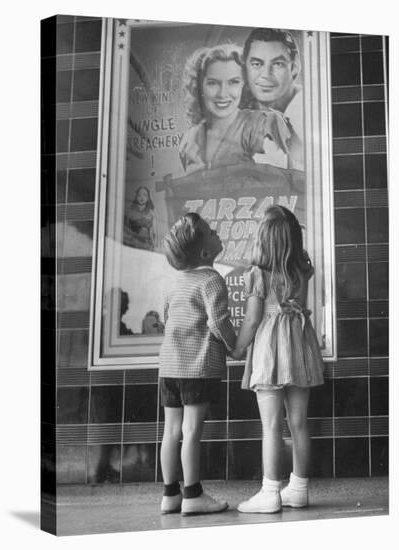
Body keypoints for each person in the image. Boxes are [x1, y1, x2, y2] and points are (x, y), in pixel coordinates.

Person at [231, 205, 324, 513]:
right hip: (299, 344)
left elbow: (253, 319)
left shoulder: (258, 274)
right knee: (298, 422)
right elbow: (299, 306)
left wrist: (238, 348)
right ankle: (298, 488)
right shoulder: (302, 268)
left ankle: (270, 491)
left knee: (271, 424)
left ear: (264, 239)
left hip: (271, 349)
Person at [158, 212, 236, 515]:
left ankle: (170, 494)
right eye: (211, 231)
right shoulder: (211, 279)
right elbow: (218, 322)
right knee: (191, 431)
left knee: (171, 431)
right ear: (205, 253)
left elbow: (167, 319)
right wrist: (234, 347)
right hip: (198, 366)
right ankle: (192, 495)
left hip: (169, 367)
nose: (216, 231)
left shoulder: (174, 283)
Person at [179, 43, 292, 173]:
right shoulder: (190, 140)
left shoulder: (262, 125)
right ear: (200, 87)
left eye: (233, 82)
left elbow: (278, 186)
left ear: (245, 85)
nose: (222, 94)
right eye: (213, 83)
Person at [242, 28, 304, 170]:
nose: (266, 75)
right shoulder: (240, 112)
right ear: (245, 68)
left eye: (277, 64)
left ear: (294, 68)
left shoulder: (307, 111)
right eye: (257, 64)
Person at [124, 186, 157, 250]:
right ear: (136, 197)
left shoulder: (151, 214)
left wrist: (153, 246)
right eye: (139, 195)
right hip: (133, 245)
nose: (142, 197)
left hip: (147, 246)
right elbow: (126, 230)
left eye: (145, 195)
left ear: (148, 198)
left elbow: (153, 233)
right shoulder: (130, 213)